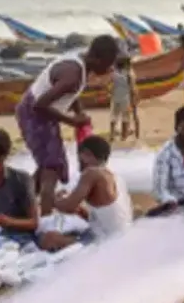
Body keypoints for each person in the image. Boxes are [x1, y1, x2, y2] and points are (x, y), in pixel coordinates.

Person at [15, 35, 120, 214]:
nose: (110, 68)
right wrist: (72, 121)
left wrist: (79, 112)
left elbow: (70, 95)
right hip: (34, 114)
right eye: (108, 63)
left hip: (43, 113)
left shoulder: (81, 61)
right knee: (52, 168)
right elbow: (39, 105)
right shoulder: (73, 75)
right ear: (96, 59)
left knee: (46, 164)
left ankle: (20, 208)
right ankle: (47, 221)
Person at [54, 134, 133, 241]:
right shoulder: (116, 177)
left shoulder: (91, 173)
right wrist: (79, 210)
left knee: (50, 238)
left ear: (87, 154)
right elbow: (108, 216)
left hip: (106, 241)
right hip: (124, 235)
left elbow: (68, 207)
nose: (78, 161)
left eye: (79, 156)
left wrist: (51, 199)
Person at [109, 55, 139, 142]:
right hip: (126, 98)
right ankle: (124, 136)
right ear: (127, 64)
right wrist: (135, 97)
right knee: (126, 117)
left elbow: (110, 86)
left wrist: (110, 93)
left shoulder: (114, 74)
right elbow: (132, 87)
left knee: (114, 116)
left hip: (115, 98)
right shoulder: (129, 73)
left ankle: (112, 135)